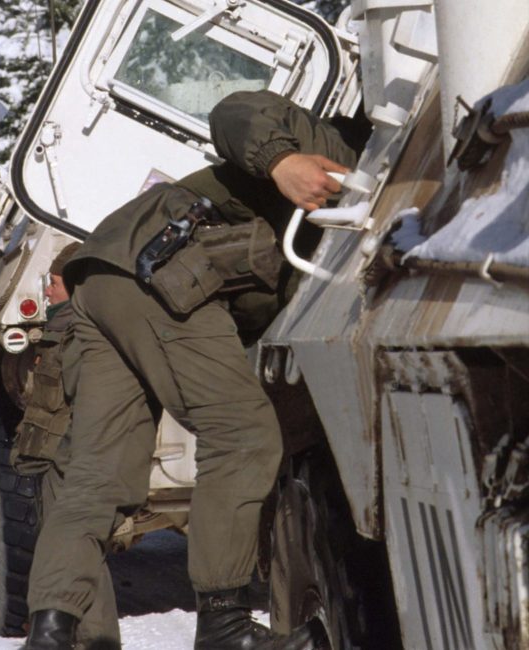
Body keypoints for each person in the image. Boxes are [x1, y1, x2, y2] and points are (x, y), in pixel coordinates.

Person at [21, 90, 362, 650]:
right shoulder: (331, 142)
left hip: (110, 273)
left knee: (98, 475)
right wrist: (284, 160)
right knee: (244, 434)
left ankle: (52, 629)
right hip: (162, 270)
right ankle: (224, 625)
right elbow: (234, 110)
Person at [13, 242, 123, 648]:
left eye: (54, 283)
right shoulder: (86, 323)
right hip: (68, 452)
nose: (47, 292)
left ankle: (93, 639)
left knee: (74, 548)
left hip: (69, 455)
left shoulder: (75, 328)